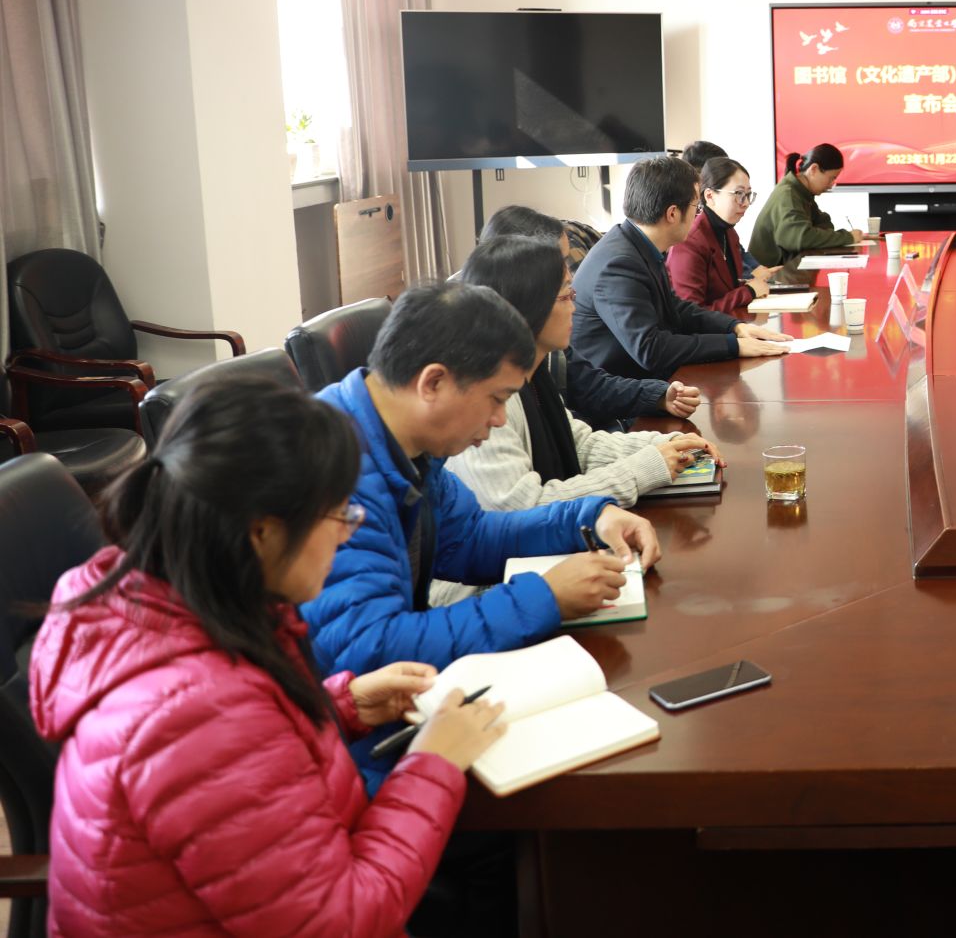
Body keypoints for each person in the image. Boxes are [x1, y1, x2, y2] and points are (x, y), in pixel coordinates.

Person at [32, 375, 508, 936]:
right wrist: (433, 764)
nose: (348, 536)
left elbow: (242, 749)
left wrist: (339, 705)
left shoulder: (164, 598)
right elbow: (340, 923)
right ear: (261, 532)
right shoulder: (199, 719)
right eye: (340, 515)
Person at [302, 278, 665, 791]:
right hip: (340, 760)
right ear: (432, 383)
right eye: (495, 400)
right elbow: (371, 652)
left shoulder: (399, 442)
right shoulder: (336, 471)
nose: (498, 421)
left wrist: (588, 517)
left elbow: (468, 537)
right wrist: (544, 597)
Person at [439, 236, 723, 605]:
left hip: (535, 566)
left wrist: (660, 444)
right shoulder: (487, 399)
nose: (576, 307)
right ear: (526, 310)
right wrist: (644, 467)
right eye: (566, 296)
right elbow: (525, 509)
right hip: (485, 590)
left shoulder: (535, 372)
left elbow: (582, 445)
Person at [573, 157, 793, 392]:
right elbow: (651, 350)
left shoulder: (637, 244)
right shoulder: (619, 264)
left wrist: (734, 327)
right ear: (672, 214)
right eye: (696, 208)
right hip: (619, 393)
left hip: (648, 381)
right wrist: (733, 345)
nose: (698, 216)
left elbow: (675, 307)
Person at [477, 204, 705, 428]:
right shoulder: (490, 376)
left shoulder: (535, 333)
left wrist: (659, 396)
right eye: (557, 262)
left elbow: (589, 387)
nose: (567, 274)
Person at [669, 156, 778, 315]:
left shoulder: (729, 232)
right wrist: (748, 291)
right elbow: (692, 316)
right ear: (710, 196)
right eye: (739, 193)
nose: (746, 203)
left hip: (730, 323)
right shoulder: (690, 241)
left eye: (748, 194)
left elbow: (727, 290)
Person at [748, 143, 870, 269]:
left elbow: (825, 224)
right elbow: (800, 238)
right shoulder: (788, 194)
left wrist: (820, 234)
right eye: (831, 178)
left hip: (784, 268)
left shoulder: (802, 192)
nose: (831, 185)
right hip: (767, 274)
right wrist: (848, 237)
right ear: (814, 169)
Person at [680, 140, 769, 276]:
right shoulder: (688, 225)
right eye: (720, 169)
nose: (745, 203)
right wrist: (752, 278)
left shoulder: (720, 220)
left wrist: (758, 270)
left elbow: (737, 252)